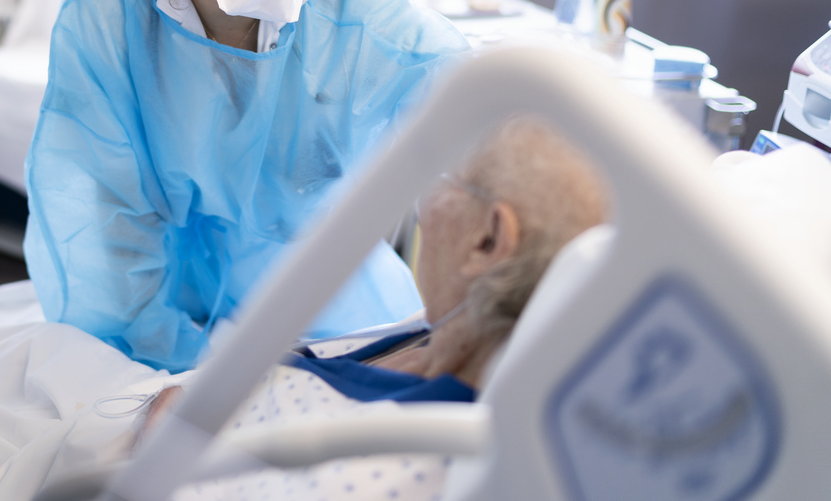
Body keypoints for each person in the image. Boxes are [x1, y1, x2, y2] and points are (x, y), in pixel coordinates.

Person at [23, 0, 469, 372]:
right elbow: (102, 225)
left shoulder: (354, 5)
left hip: (317, 295)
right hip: (154, 301)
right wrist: (165, 367)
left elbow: (468, 101)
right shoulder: (107, 10)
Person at [141, 116, 611, 501]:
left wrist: (161, 445)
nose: (424, 201)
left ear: (486, 241)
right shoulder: (441, 329)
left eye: (447, 175)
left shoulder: (386, 467)